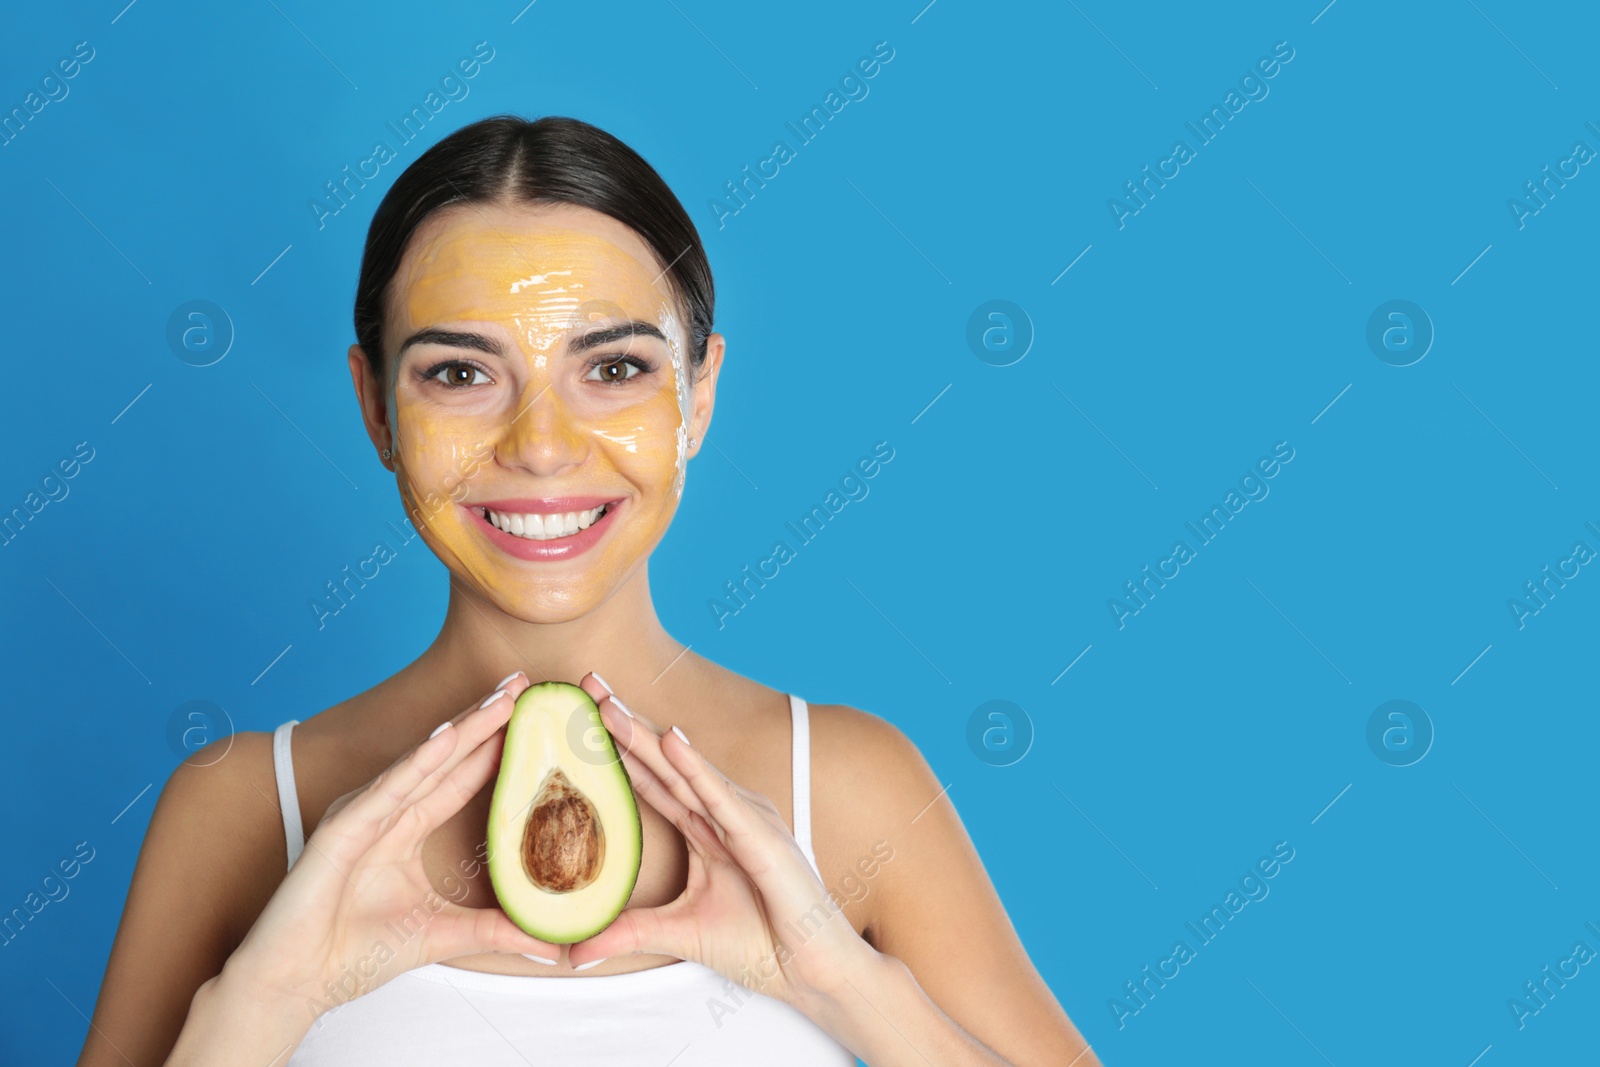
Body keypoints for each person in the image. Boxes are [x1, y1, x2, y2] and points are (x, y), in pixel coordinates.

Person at [76, 114, 1098, 1066]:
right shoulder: (242, 806)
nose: (543, 447)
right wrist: (262, 1004)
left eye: (612, 368)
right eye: (459, 374)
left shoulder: (847, 784)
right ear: (375, 408)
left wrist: (839, 983)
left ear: (697, 396)